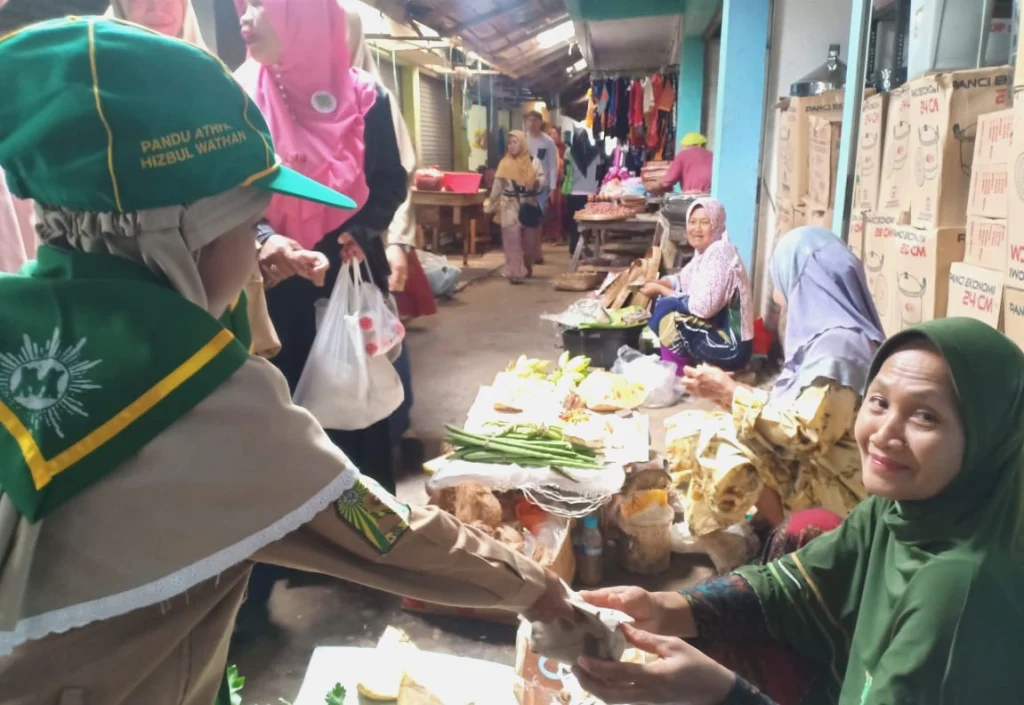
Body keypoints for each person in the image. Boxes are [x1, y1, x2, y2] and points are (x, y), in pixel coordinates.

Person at [0, 19, 572, 704]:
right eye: (250, 224)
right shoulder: (211, 402)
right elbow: (392, 534)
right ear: (180, 239)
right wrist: (549, 597)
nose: (258, 246)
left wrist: (248, 278)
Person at [579, 317, 1024, 705]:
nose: (885, 433)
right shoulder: (901, 511)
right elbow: (793, 586)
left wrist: (721, 691)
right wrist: (665, 607)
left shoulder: (958, 591)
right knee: (808, 533)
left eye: (926, 417)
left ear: (988, 440)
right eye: (879, 401)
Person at [234, 0, 407, 494]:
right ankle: (306, 538)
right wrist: (267, 240)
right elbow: (232, 194)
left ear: (304, 19)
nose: (245, 18)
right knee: (287, 413)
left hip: (348, 274)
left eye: (261, 6)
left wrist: (363, 230)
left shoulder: (367, 97)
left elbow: (390, 183)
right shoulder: (239, 98)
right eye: (243, 7)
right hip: (275, 280)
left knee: (356, 403)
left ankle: (369, 544)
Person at [108, 0, 294, 359]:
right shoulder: (96, 96)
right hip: (131, 284)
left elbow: (234, 193)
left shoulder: (221, 90)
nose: (157, 6)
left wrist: (261, 240)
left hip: (218, 281)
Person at [673, 227, 883, 536]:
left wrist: (732, 395)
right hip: (827, 465)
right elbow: (798, 407)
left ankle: (794, 541)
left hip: (845, 493)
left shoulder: (840, 349)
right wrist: (730, 393)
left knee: (723, 440)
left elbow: (804, 436)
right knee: (699, 425)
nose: (776, 295)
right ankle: (771, 522)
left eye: (782, 279)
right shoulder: (830, 338)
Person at [344, 7, 435, 452]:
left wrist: (398, 241)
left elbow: (399, 177)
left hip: (372, 241)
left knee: (382, 331)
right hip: (325, 249)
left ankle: (398, 425)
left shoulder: (375, 98)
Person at [642, 197, 754, 372]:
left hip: (731, 347)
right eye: (692, 222)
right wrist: (659, 282)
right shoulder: (705, 254)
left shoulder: (721, 252)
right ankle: (677, 368)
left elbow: (703, 308)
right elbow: (681, 279)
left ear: (717, 226)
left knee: (670, 319)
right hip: (719, 337)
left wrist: (660, 290)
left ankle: (676, 377)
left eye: (704, 222)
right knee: (668, 307)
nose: (696, 229)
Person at [485, 130, 545, 285]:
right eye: (510, 142)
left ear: (523, 143)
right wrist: (491, 205)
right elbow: (497, 187)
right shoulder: (504, 163)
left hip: (529, 204)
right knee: (512, 239)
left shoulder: (533, 162)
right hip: (509, 205)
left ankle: (526, 266)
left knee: (529, 242)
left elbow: (542, 180)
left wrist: (536, 183)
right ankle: (515, 272)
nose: (511, 146)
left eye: (515, 142)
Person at [564, 126, 603, 257]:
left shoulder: (569, 152)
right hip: (590, 194)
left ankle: (574, 249)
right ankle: (584, 247)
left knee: (574, 223)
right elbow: (599, 172)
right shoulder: (595, 152)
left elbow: (566, 172)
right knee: (589, 224)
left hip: (573, 193)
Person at [524, 110, 557, 264]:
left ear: (540, 123)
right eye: (528, 120)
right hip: (524, 186)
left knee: (538, 218)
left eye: (534, 120)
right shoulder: (522, 140)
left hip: (542, 186)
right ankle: (531, 251)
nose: (531, 123)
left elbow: (552, 166)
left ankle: (537, 250)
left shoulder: (548, 142)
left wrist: (553, 188)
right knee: (527, 219)